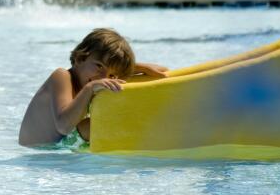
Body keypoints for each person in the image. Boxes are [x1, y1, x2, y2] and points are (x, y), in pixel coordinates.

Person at [18, 28, 168, 147]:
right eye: (99, 66)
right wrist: (89, 88)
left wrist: (136, 67)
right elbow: (63, 126)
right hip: (42, 152)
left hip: (61, 147)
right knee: (95, 124)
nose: (104, 77)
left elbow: (163, 71)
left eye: (111, 75)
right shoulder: (62, 77)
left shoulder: (94, 79)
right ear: (79, 59)